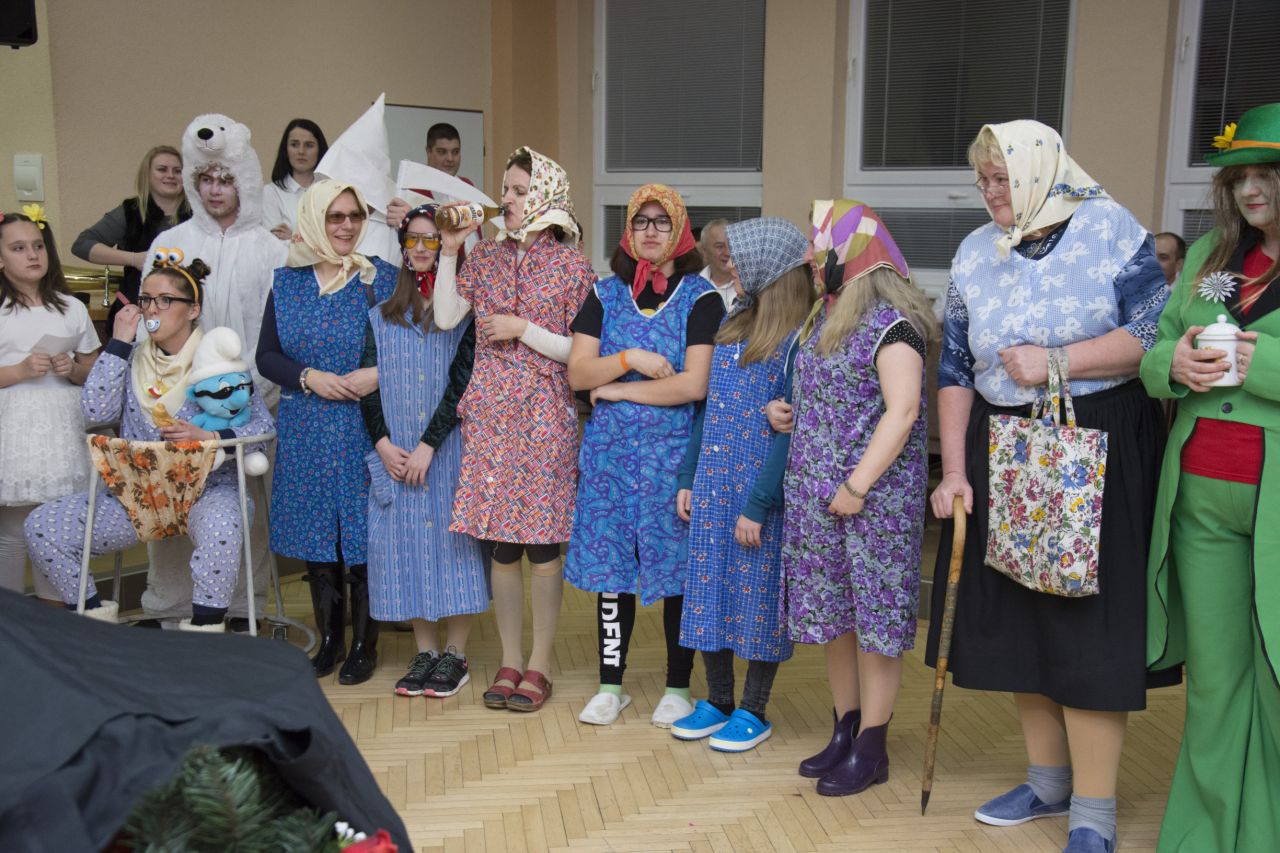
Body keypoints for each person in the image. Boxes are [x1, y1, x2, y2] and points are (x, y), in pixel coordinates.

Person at [925, 120, 1172, 853]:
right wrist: (954, 471)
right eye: (983, 180)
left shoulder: (1109, 229)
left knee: (1086, 626)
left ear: (1041, 171)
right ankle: (1048, 781)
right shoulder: (976, 250)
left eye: (1002, 178)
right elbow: (955, 368)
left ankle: (1094, 813)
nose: (990, 193)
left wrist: (1058, 361)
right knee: (1020, 619)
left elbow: (1156, 333)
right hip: (1001, 446)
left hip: (1095, 441)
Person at [1139, 102, 1280, 853]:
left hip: (1273, 501)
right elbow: (1156, 352)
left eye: (1268, 174)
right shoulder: (1208, 256)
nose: (1251, 189)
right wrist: (1175, 365)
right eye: (1240, 176)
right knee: (1217, 682)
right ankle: (1205, 836)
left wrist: (1267, 363)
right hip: (1199, 497)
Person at [770, 201, 933, 794]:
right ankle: (845, 727)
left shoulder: (895, 325)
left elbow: (903, 410)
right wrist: (783, 411)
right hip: (817, 499)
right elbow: (826, 398)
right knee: (835, 618)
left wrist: (857, 485)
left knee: (874, 621)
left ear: (854, 253)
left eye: (819, 249)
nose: (811, 261)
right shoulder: (824, 318)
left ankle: (872, 745)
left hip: (873, 504)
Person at [431, 146, 595, 713]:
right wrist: (449, 252)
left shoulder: (573, 266)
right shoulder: (486, 256)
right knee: (501, 544)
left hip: (546, 414)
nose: (508, 198)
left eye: (520, 190)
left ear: (546, 195)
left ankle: (540, 665)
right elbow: (446, 316)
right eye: (506, 188)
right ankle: (508, 660)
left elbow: (582, 350)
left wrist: (524, 329)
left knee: (543, 544)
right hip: (492, 416)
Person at [25, 256, 272, 631]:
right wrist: (119, 343)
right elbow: (94, 410)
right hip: (138, 497)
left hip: (207, 492)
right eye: (146, 299)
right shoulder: (130, 357)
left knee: (223, 526)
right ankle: (94, 619)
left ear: (193, 310)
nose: (152, 309)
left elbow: (262, 427)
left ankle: (206, 632)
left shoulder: (222, 363)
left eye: (165, 300)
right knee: (42, 526)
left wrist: (210, 438)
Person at [565, 184, 723, 728]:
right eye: (640, 221)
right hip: (609, 460)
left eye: (662, 221)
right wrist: (630, 358)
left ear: (680, 232)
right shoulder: (604, 294)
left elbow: (694, 384)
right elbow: (578, 373)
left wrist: (618, 389)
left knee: (676, 570)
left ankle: (678, 685)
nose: (650, 231)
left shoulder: (702, 299)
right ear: (628, 230)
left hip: (671, 459)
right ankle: (611, 684)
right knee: (612, 570)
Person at [671, 217, 812, 750]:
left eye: (741, 258)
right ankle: (718, 699)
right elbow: (708, 411)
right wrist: (689, 475)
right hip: (712, 487)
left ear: (768, 270)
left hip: (755, 496)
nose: (730, 263)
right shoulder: (732, 322)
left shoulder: (795, 342)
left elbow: (789, 438)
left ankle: (753, 708)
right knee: (708, 593)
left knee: (756, 602)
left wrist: (759, 503)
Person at [141, 113, 286, 627]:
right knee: (175, 509)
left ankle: (245, 609)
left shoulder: (273, 250)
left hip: (253, 409)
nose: (216, 189)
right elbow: (150, 325)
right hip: (178, 411)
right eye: (206, 179)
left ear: (244, 180)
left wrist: (254, 398)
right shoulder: (171, 246)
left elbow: (279, 334)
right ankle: (172, 606)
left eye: (226, 179)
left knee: (247, 514)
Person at [257, 180, 397, 685]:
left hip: (364, 425)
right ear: (315, 220)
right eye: (335, 216)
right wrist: (307, 376)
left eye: (355, 216)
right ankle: (331, 641)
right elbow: (266, 356)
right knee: (317, 539)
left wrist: (379, 373)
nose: (347, 226)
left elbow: (417, 348)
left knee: (362, 537)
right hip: (307, 425)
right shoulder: (287, 283)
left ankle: (364, 645)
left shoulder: (382, 278)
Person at [360, 203, 486, 698]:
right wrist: (383, 443)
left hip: (447, 451)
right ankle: (426, 650)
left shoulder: (461, 314)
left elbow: (462, 384)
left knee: (452, 549)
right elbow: (368, 386)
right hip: (396, 452)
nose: (419, 247)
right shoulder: (379, 317)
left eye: (430, 238)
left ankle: (456, 653)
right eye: (411, 238)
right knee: (406, 547)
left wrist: (429, 445)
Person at [0, 209, 100, 600]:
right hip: (14, 429)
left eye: (38, 246)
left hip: (62, 429)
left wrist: (72, 368)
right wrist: (19, 370)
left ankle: (55, 617)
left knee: (56, 528)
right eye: (18, 248)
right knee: (13, 530)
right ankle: (10, 619)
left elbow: (93, 371)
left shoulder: (71, 307)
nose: (32, 255)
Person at [72, 145, 192, 331]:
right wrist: (134, 259)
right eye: (162, 169)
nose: (170, 175)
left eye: (177, 171)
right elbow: (82, 245)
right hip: (138, 314)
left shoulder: (199, 215)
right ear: (147, 174)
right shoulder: (130, 212)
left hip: (187, 314)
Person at [263, 118, 328, 240]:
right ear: (286, 150)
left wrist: (294, 238)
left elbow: (336, 242)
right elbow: (274, 242)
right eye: (294, 145)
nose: (301, 151)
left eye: (309, 145)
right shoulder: (270, 193)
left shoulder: (330, 191)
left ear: (319, 150)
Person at [697, 218, 738, 310]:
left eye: (732, 245)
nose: (728, 253)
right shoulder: (691, 286)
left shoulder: (749, 286)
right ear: (704, 251)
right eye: (720, 246)